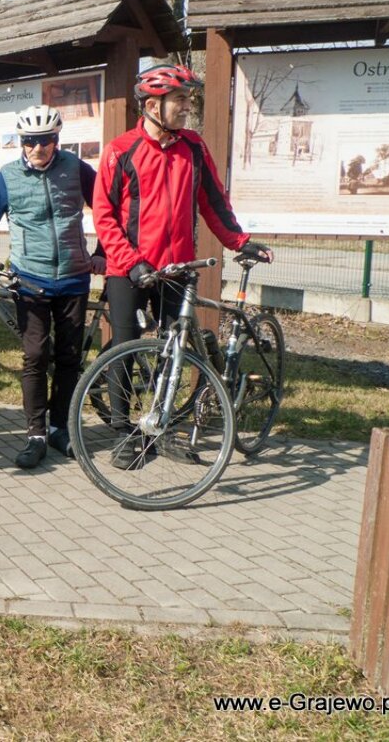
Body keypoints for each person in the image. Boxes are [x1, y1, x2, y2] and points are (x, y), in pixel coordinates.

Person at [94, 64, 272, 467]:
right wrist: (131, 262)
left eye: (188, 99)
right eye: (180, 99)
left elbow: (213, 200)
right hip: (130, 270)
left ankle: (162, 428)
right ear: (152, 105)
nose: (187, 106)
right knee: (123, 350)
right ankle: (123, 435)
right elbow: (104, 216)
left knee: (172, 349)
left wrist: (238, 240)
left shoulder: (193, 147)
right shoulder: (121, 150)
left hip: (177, 269)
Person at [0, 104, 104, 469]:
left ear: (57, 139)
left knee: (68, 358)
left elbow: (107, 210)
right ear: (21, 142)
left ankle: (60, 428)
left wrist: (102, 252)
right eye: (30, 141)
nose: (38, 148)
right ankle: (36, 434)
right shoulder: (8, 177)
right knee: (35, 356)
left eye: (46, 140)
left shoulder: (77, 169)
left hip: (73, 278)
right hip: (30, 281)